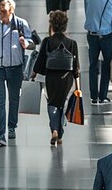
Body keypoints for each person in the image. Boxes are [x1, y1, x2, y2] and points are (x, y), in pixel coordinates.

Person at [0, 0, 34, 146]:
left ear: (12, 11)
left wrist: (26, 43)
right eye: (0, 11)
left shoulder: (21, 24)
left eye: (5, 12)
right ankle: (0, 133)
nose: (2, 15)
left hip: (15, 68)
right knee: (0, 101)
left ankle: (12, 127)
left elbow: (33, 42)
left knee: (14, 99)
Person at [31, 10, 80, 145]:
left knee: (52, 103)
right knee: (62, 103)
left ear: (51, 25)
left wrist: (33, 74)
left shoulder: (47, 42)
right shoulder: (71, 43)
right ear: (65, 26)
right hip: (66, 78)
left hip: (51, 78)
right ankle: (60, 132)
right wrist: (77, 84)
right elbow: (76, 66)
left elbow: (40, 61)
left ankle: (54, 130)